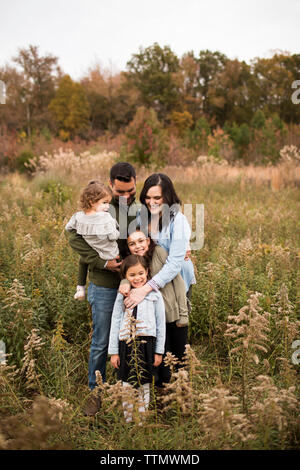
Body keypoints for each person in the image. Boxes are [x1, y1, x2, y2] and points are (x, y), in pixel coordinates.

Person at [66, 162, 138, 416]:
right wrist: (103, 262)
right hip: (103, 286)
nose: (126, 196)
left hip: (133, 285)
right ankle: (95, 393)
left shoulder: (138, 210)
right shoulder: (97, 207)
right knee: (101, 342)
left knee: (129, 341)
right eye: (120, 192)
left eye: (130, 191)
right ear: (110, 185)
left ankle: (124, 392)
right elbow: (74, 237)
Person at [123, 173, 196, 386]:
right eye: (148, 197)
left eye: (157, 198)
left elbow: (174, 264)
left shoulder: (177, 220)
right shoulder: (141, 219)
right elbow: (136, 251)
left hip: (176, 283)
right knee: (157, 334)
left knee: (176, 334)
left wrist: (146, 288)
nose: (152, 202)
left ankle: (181, 387)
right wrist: (128, 280)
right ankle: (162, 384)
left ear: (168, 197)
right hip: (150, 283)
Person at [120, 226, 189, 386]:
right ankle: (163, 393)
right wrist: (124, 282)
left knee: (180, 357)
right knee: (162, 359)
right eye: (132, 243)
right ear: (128, 248)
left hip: (173, 315)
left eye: (141, 241)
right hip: (154, 321)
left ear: (148, 241)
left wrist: (183, 314)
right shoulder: (133, 262)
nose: (137, 246)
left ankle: (184, 392)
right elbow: (127, 277)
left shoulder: (158, 253)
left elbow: (177, 280)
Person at [108, 254, 166, 423]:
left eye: (140, 273)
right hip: (126, 344)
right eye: (132, 275)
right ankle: (128, 419)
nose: (137, 278)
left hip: (147, 345)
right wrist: (113, 352)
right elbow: (115, 321)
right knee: (127, 383)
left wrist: (159, 351)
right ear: (125, 277)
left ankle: (141, 419)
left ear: (147, 272)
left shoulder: (155, 295)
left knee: (144, 383)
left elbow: (161, 324)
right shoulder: (123, 295)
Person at [65, 181, 119, 301]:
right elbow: (113, 236)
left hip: (93, 249)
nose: (108, 207)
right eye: (104, 203)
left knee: (83, 260)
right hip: (108, 253)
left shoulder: (79, 216)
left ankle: (80, 288)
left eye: (108, 203)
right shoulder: (106, 218)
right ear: (92, 202)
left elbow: (69, 228)